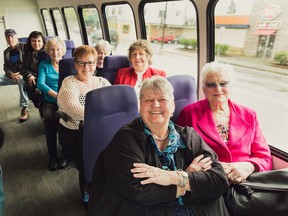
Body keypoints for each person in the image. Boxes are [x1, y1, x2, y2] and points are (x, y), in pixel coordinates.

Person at [87, 76, 230, 216]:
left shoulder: (189, 136)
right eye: (148, 100)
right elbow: (138, 191)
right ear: (140, 107)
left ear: (173, 107)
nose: (155, 105)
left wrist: (175, 177)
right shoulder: (126, 139)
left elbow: (219, 179)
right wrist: (189, 181)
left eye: (162, 99)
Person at [177, 61, 272, 184]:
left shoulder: (249, 114)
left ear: (231, 86)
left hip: (247, 181)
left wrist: (248, 167)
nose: (218, 89)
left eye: (224, 83)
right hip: (209, 180)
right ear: (203, 89)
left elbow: (264, 157)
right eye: (211, 84)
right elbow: (180, 153)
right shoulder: (189, 113)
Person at [57, 45, 111, 201]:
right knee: (88, 166)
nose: (86, 67)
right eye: (81, 63)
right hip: (75, 132)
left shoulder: (103, 82)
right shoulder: (70, 82)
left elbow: (114, 105)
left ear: (95, 64)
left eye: (90, 63)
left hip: (99, 131)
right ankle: (88, 196)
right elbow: (72, 108)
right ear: (75, 65)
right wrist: (102, 119)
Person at [37, 37, 67, 171]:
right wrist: (56, 95)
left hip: (66, 101)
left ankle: (66, 154)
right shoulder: (44, 64)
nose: (55, 52)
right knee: (49, 120)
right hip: (50, 102)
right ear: (48, 51)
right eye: (52, 49)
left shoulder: (68, 64)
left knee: (68, 123)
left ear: (63, 50)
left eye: (58, 49)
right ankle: (53, 156)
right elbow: (40, 84)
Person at [0, 29, 29, 122]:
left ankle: (24, 108)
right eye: (8, 37)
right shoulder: (6, 51)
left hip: (23, 75)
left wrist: (20, 73)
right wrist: (11, 74)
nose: (10, 38)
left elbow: (29, 63)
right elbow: (6, 67)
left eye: (12, 36)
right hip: (12, 76)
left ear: (16, 36)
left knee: (20, 79)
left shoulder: (25, 47)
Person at [22, 31, 46, 108]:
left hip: (45, 75)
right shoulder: (26, 53)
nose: (36, 43)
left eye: (39, 41)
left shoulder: (47, 52)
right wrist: (29, 75)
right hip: (33, 76)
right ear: (30, 42)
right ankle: (38, 103)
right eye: (33, 41)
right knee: (31, 82)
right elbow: (24, 68)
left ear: (43, 42)